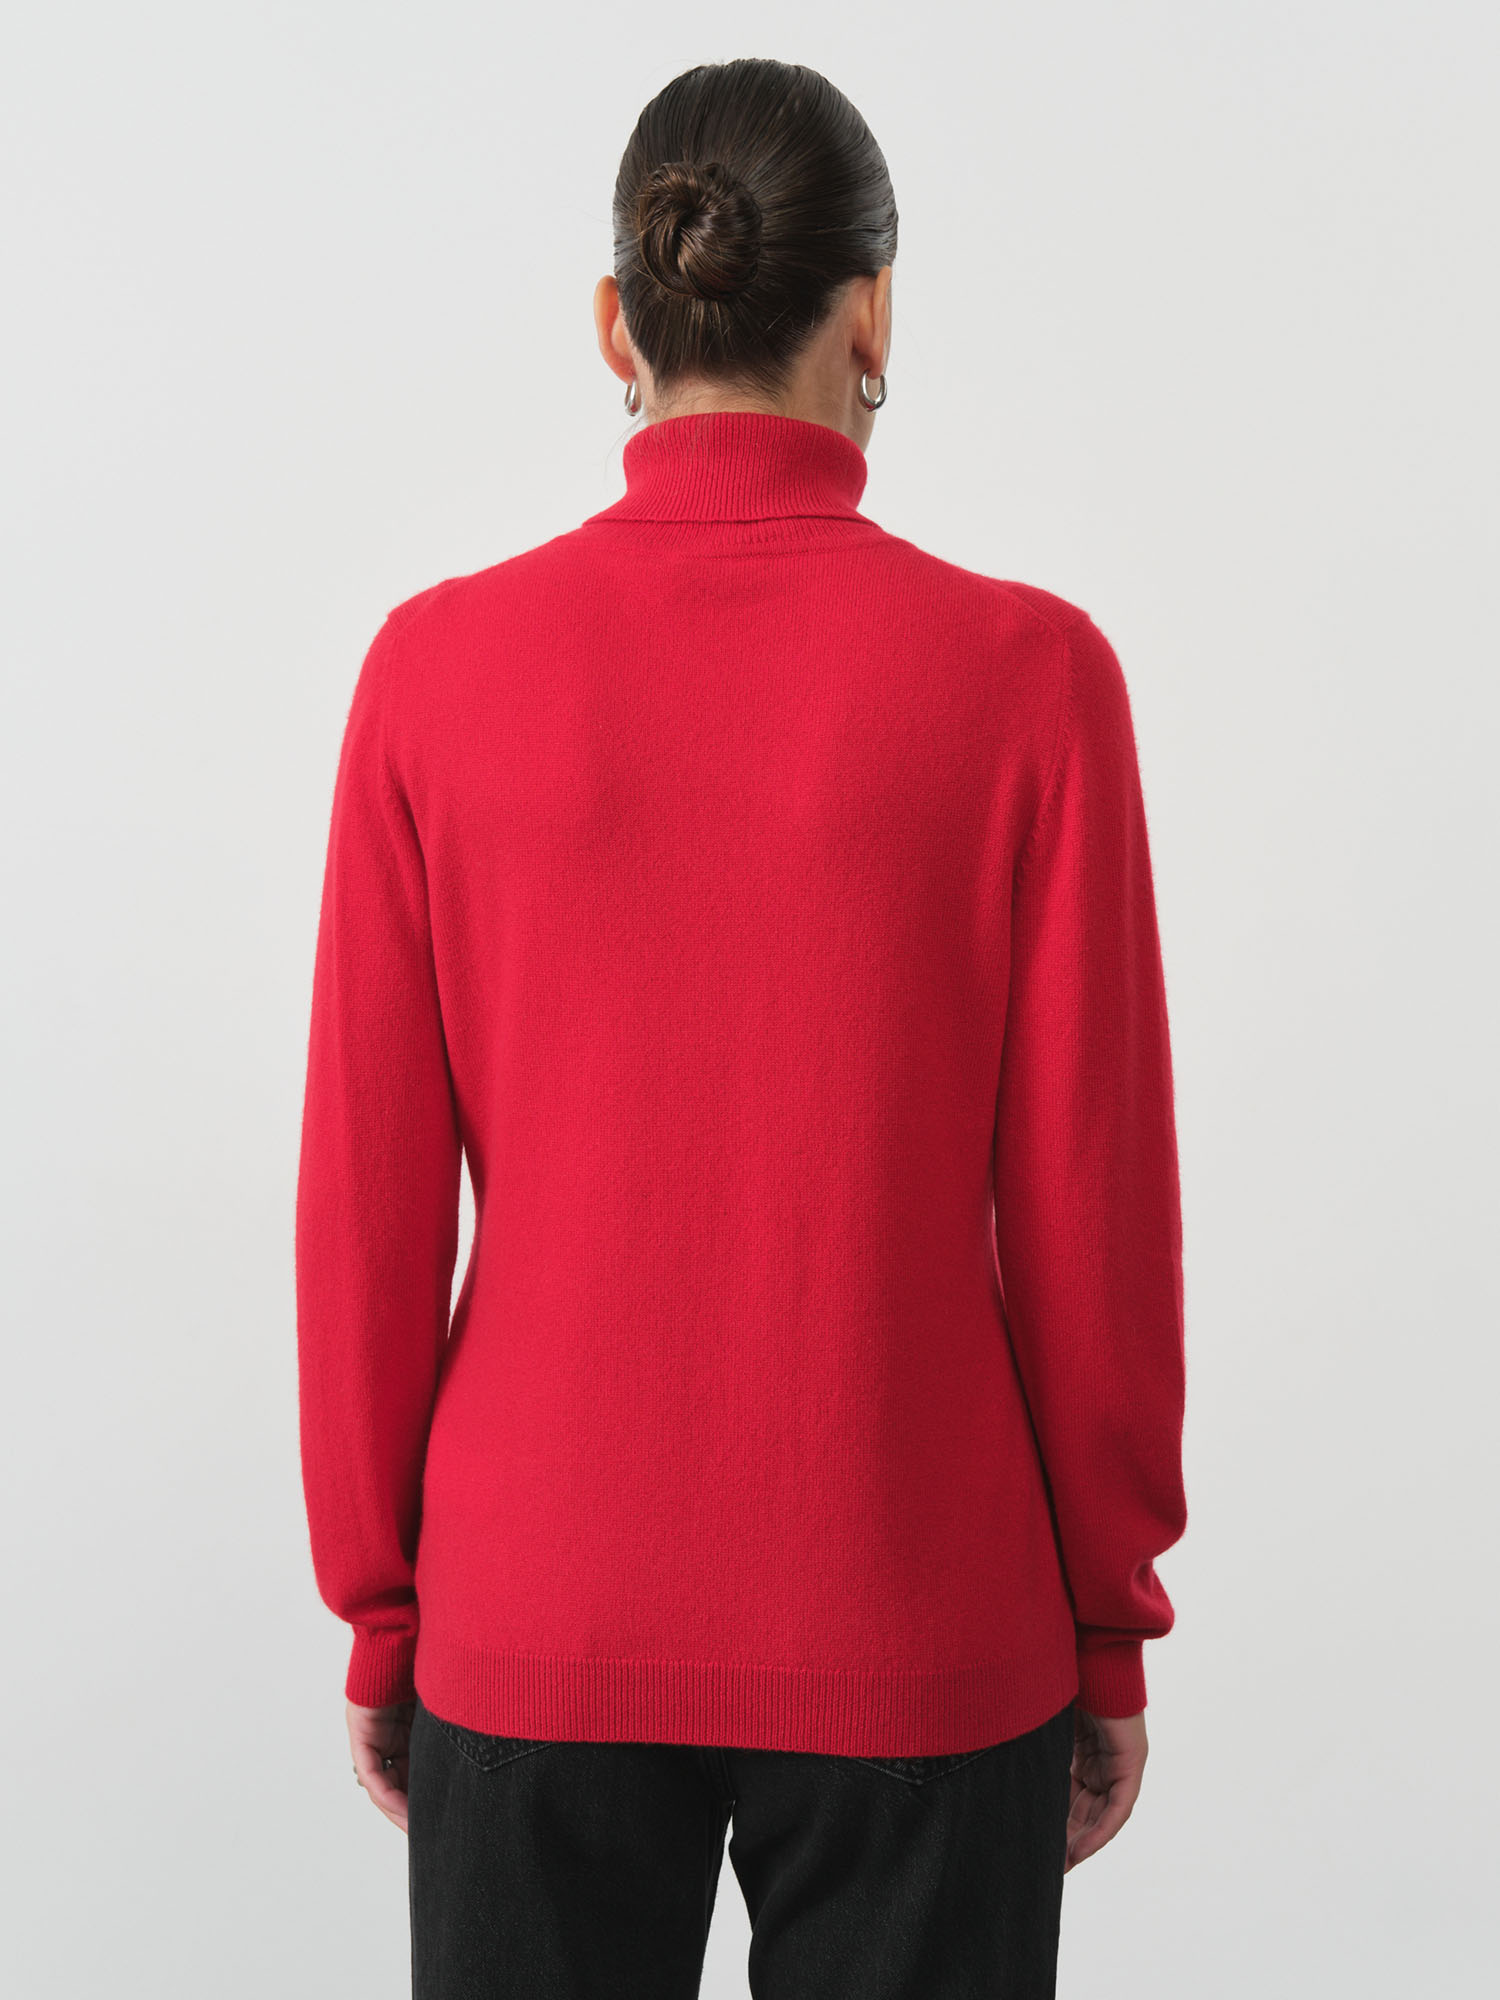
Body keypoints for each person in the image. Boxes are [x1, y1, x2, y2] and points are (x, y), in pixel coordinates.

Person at [295, 55, 1188, 2000]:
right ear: (873, 313)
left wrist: (383, 1603)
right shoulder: (1031, 681)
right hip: (918, 1613)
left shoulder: (434, 674)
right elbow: (1090, 1215)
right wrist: (1109, 1615)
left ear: (617, 323)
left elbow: (368, 1203)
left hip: (532, 1612)